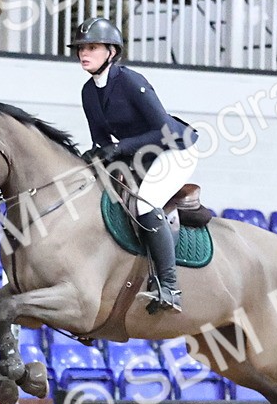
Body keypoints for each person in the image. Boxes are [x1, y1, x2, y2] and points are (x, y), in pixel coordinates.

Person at [70, 17, 199, 314]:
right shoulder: (88, 92)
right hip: (141, 153)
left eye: (91, 47)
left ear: (111, 52)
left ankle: (169, 288)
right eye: (81, 48)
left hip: (174, 149)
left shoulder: (130, 81)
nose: (83, 53)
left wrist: (119, 148)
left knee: (146, 204)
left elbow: (163, 130)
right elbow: (101, 140)